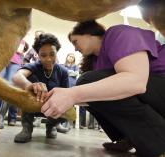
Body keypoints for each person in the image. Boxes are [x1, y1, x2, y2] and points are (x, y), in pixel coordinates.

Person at [41, 20, 165, 157]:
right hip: (154, 95)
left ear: (89, 34)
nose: (75, 48)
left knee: (86, 83)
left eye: (75, 41)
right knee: (92, 91)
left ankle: (159, 144)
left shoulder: (119, 34)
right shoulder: (96, 63)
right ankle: (131, 138)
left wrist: (73, 94)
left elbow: (136, 81)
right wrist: (57, 100)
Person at [12, 33, 69, 143]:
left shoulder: (63, 72)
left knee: (68, 109)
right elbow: (17, 76)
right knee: (27, 88)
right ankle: (27, 128)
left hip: (52, 106)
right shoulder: (35, 66)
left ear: (57, 52)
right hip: (34, 104)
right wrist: (30, 85)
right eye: (43, 55)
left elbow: (66, 94)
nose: (48, 59)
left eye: (52, 54)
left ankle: (51, 126)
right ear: (38, 55)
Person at [0, 40, 29, 129]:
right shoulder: (5, 36)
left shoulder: (21, 40)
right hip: (2, 60)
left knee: (9, 88)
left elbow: (19, 50)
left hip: (14, 62)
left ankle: (1, 118)